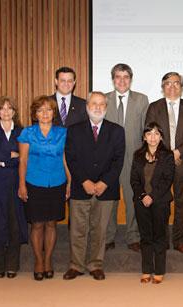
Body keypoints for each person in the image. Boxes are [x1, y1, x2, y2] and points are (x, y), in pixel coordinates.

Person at [64, 91, 125, 281]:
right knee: (78, 230)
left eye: (101, 104)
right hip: (81, 187)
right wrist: (84, 181)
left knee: (100, 230)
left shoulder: (116, 130)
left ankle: (95, 265)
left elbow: (118, 160)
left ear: (106, 108)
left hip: (106, 189)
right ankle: (76, 265)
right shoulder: (73, 130)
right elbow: (71, 159)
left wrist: (104, 182)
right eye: (94, 104)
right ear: (87, 107)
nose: (97, 107)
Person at [145, 72, 183, 254]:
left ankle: (179, 240)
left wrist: (178, 152)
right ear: (163, 87)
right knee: (159, 203)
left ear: (182, 87)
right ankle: (160, 239)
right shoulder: (154, 107)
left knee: (182, 203)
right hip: (159, 163)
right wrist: (168, 154)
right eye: (168, 83)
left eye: (176, 83)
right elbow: (149, 134)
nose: (172, 86)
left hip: (182, 162)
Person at [17, 95, 70, 281]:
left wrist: (70, 182)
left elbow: (65, 159)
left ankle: (48, 260)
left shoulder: (62, 133)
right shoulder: (27, 133)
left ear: (54, 113)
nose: (45, 113)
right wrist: (21, 184)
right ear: (35, 114)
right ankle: (38, 261)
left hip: (57, 182)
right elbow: (22, 160)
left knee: (52, 223)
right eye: (41, 110)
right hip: (34, 183)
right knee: (37, 224)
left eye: (48, 109)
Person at [105, 63, 149, 252]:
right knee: (109, 199)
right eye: (118, 77)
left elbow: (146, 131)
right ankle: (108, 237)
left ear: (130, 79)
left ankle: (133, 236)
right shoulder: (103, 99)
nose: (122, 81)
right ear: (113, 79)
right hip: (109, 160)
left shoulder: (141, 100)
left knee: (133, 198)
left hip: (134, 158)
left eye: (125, 77)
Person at [0, 96, 28, 279]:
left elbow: (24, 157)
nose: (6, 111)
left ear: (14, 112)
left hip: (17, 183)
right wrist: (12, 156)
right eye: (3, 108)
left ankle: (12, 266)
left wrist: (4, 160)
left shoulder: (21, 132)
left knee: (14, 225)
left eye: (10, 108)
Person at [130, 122, 175, 284]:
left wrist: (152, 196)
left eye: (156, 134)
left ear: (161, 136)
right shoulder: (137, 155)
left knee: (159, 236)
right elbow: (134, 180)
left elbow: (167, 180)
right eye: (149, 134)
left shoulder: (168, 155)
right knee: (145, 236)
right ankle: (146, 269)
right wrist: (143, 196)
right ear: (144, 137)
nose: (153, 137)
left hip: (160, 201)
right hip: (141, 202)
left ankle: (159, 271)